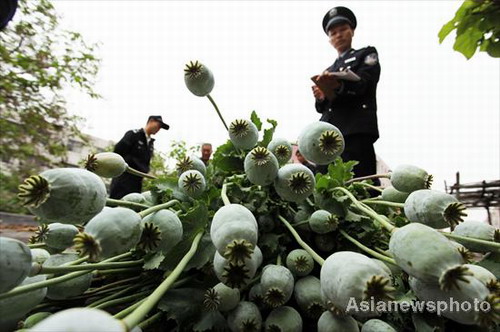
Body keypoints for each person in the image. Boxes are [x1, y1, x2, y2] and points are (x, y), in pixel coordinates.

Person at [312, 6, 380, 185]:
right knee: (326, 186)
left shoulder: (365, 54)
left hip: (355, 131)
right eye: (333, 33)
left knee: (361, 183)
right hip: (329, 135)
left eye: (343, 30)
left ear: (352, 31)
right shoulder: (328, 70)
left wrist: (339, 85)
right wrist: (320, 95)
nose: (338, 35)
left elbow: (365, 83)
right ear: (329, 39)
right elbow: (322, 107)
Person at [109, 115, 169, 199]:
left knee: (133, 206)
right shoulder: (133, 134)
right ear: (151, 121)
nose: (158, 129)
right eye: (158, 126)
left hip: (137, 182)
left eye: (160, 128)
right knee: (116, 205)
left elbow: (145, 163)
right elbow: (118, 152)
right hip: (123, 179)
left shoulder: (150, 143)